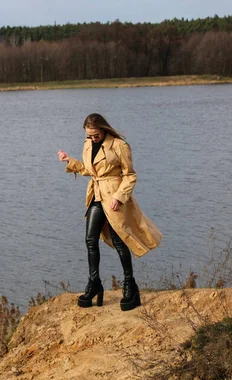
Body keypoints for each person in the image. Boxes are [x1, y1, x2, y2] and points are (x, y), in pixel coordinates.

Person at [58, 113, 162, 311]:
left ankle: (130, 286)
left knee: (119, 240)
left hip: (114, 197)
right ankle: (94, 283)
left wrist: (119, 197)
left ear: (103, 129)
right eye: (89, 136)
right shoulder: (88, 144)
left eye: (95, 135)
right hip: (97, 194)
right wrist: (69, 161)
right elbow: (90, 171)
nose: (91, 139)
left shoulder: (119, 145)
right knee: (90, 239)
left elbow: (130, 175)